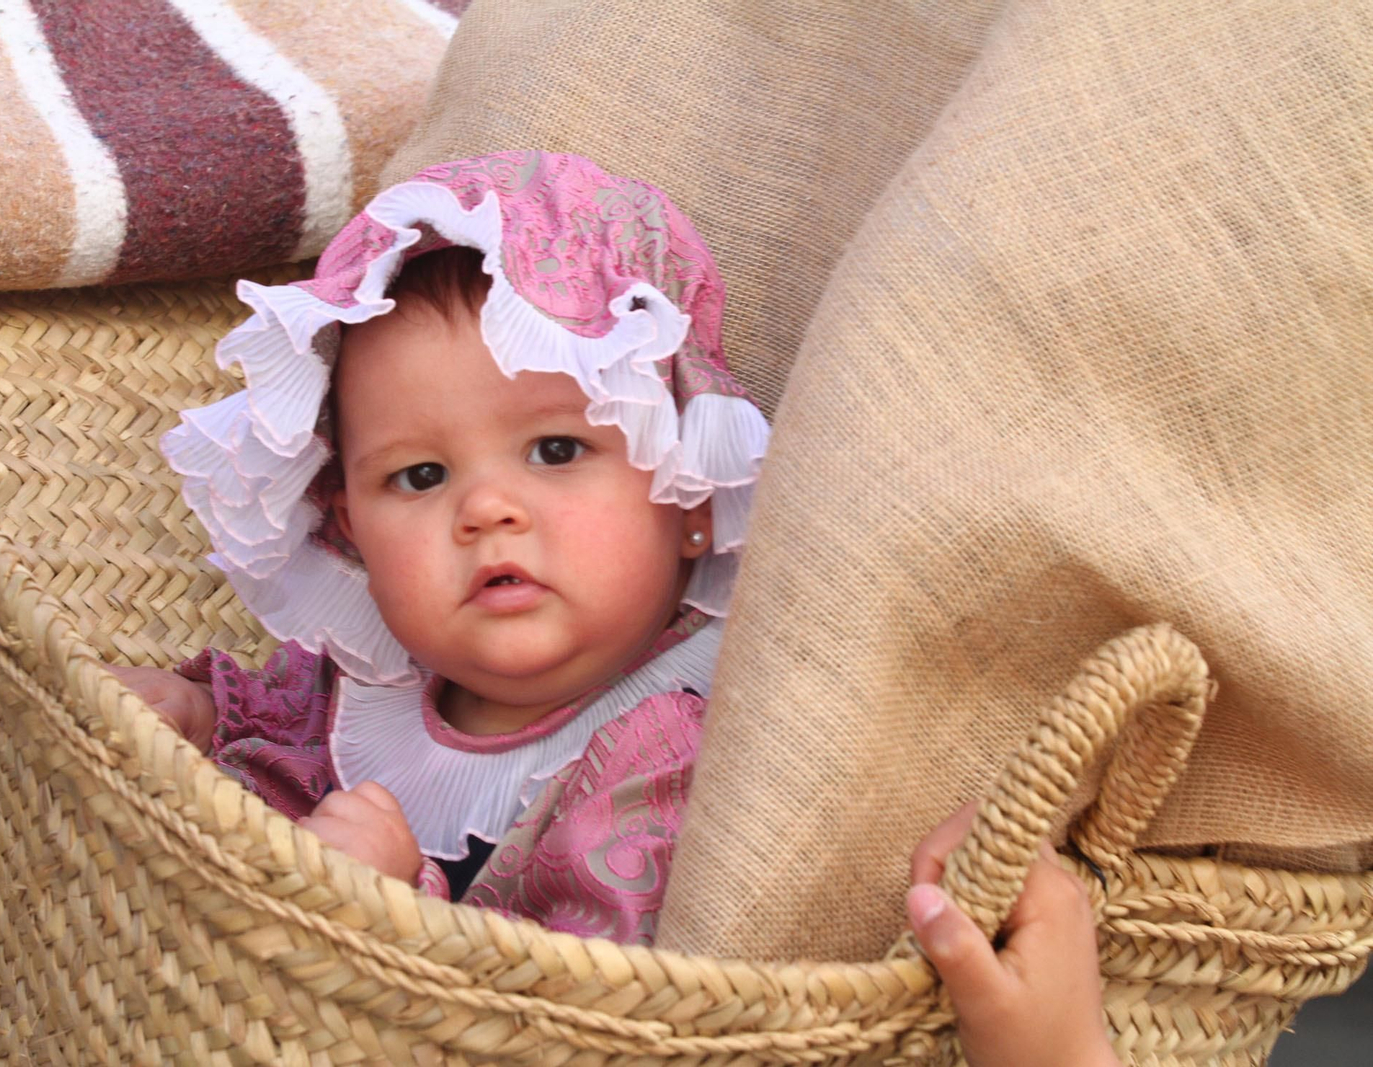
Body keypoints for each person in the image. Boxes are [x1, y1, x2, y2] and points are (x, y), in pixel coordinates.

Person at [109, 150, 1122, 1065]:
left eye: (556, 450)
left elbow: (593, 1015)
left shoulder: (660, 756)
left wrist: (391, 908)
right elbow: (275, 734)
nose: (486, 509)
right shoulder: (367, 684)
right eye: (419, 475)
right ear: (348, 530)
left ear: (688, 499)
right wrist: (194, 714)